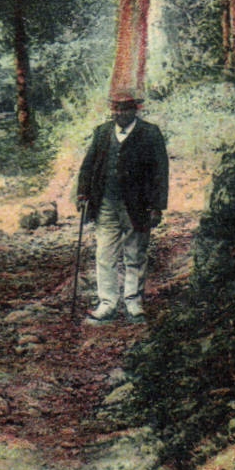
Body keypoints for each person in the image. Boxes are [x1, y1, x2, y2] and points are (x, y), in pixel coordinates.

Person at [76, 89, 168, 324]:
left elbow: (160, 172)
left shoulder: (150, 133)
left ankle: (133, 301)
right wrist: (83, 193)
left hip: (137, 205)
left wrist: (157, 206)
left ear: (136, 109)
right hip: (105, 202)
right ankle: (107, 303)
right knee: (104, 253)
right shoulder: (102, 133)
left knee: (135, 252)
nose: (120, 112)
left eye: (125, 108)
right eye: (116, 108)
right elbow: (88, 165)